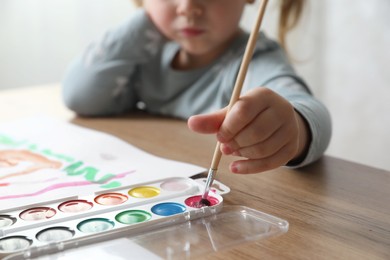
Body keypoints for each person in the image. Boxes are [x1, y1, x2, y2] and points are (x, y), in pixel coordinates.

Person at [62, 0, 331, 174]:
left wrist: (294, 127)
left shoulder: (254, 60)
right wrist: (148, 15)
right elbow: (80, 95)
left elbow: (311, 112)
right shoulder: (144, 54)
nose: (189, 7)